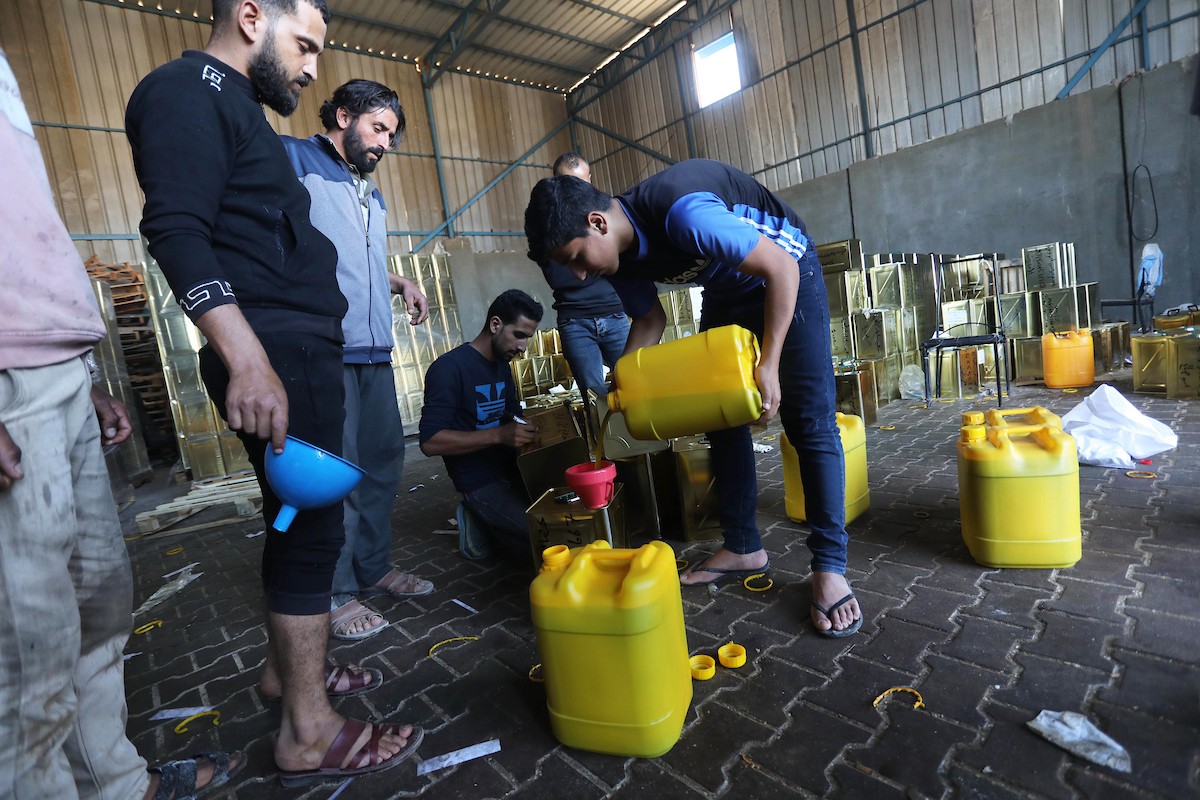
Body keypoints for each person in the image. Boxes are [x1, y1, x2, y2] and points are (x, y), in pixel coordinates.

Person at [125, 0, 422, 786]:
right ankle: (306, 730)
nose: (313, 68)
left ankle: (282, 678)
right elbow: (176, 231)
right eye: (305, 46)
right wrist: (248, 360)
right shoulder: (185, 90)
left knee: (297, 517)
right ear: (252, 17)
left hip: (296, 344)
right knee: (313, 529)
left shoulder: (242, 112)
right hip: (277, 348)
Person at [0, 46, 243, 799]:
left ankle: (116, 781)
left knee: (100, 607)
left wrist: (91, 370)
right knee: (24, 652)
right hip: (10, 384)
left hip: (54, 356)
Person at [524, 159, 863, 637]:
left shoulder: (684, 213)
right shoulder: (620, 256)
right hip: (727, 291)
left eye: (577, 258)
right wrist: (625, 378)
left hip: (787, 273)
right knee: (721, 419)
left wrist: (769, 364)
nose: (579, 276)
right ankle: (745, 546)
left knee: (810, 424)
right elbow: (649, 322)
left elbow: (780, 267)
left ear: (597, 223)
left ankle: (829, 568)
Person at [282, 79, 434, 643]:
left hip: (375, 348)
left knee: (382, 462)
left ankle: (373, 565)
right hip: (325, 346)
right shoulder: (291, 159)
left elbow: (355, 256)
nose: (384, 144)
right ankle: (336, 589)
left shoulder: (368, 189)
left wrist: (398, 280)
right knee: (335, 473)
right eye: (377, 129)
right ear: (342, 115)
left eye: (391, 136)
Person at [419, 290, 543, 560]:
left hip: (512, 469)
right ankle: (478, 522)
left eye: (528, 338)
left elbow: (512, 412)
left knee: (566, 516)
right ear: (495, 324)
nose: (523, 347)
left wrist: (531, 427)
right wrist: (499, 435)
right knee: (545, 539)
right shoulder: (448, 368)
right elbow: (429, 442)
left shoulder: (502, 364)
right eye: (519, 335)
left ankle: (493, 523)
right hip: (479, 482)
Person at [540, 153, 630, 405]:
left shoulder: (607, 213)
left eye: (580, 182)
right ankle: (608, 444)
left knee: (637, 381)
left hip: (614, 315)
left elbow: (621, 268)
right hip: (575, 321)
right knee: (594, 398)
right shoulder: (547, 225)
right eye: (567, 182)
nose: (575, 189)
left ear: (590, 180)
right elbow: (560, 279)